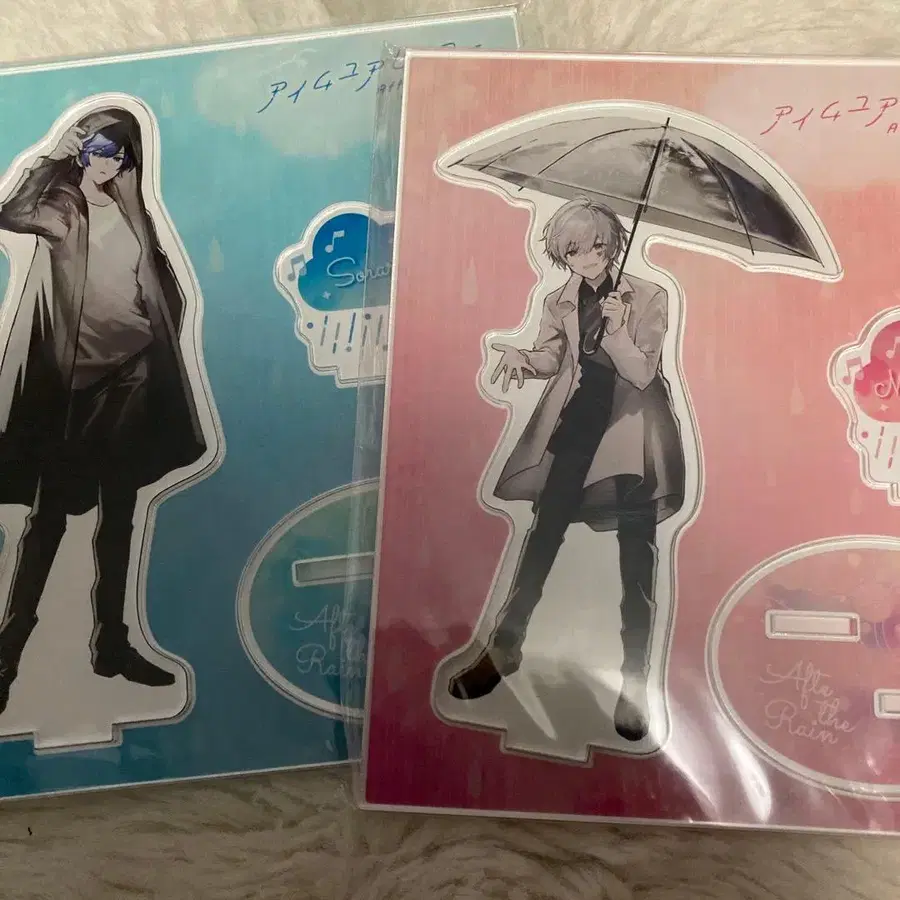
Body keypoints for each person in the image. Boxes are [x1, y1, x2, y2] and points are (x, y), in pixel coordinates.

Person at [448, 197, 686, 742]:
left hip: (632, 436)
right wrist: (522, 358)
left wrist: (619, 329)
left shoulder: (649, 295)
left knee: (636, 557)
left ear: (614, 244)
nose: (589, 257)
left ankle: (634, 681)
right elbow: (552, 356)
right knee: (543, 535)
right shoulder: (558, 300)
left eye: (598, 245)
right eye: (575, 249)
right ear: (563, 253)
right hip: (578, 424)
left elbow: (643, 373)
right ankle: (504, 648)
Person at [0, 107, 208, 715]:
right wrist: (54, 154)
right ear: (81, 152)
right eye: (95, 150)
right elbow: (11, 213)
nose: (105, 163)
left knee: (120, 517)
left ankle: (111, 646)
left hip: (132, 378)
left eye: (116, 154)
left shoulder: (132, 209)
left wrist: (158, 335)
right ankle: (8, 653)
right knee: (49, 520)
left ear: (128, 160)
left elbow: (162, 283)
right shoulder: (62, 207)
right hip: (75, 388)